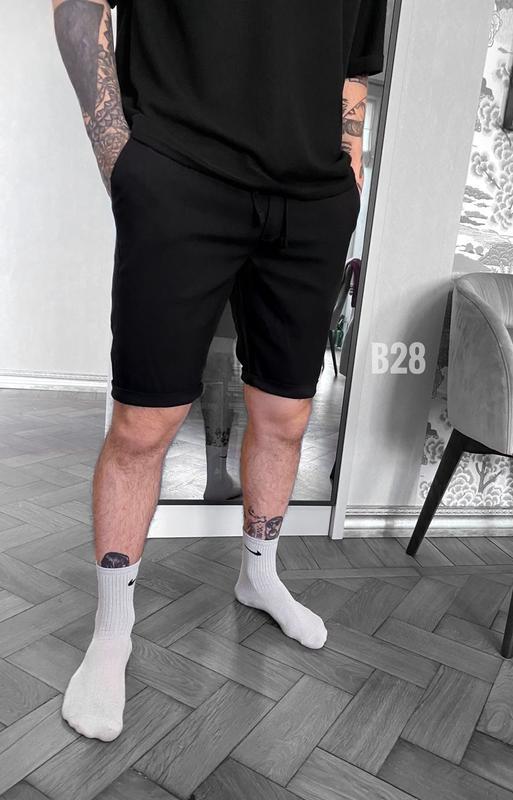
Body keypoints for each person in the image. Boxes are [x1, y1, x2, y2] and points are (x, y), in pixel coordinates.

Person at [52, 0, 387, 742]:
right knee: (144, 424)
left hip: (313, 202)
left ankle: (259, 575)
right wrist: (122, 161)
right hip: (179, 172)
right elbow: (77, 8)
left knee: (286, 415)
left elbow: (353, 72)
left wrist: (349, 185)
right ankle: (112, 630)